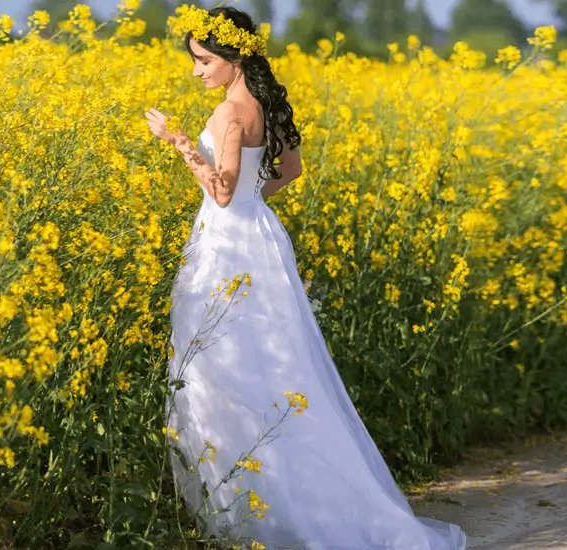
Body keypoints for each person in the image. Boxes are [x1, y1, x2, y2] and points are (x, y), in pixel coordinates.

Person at [142, 6, 468, 549]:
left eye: (202, 61)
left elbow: (219, 190)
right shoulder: (266, 102)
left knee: (224, 372)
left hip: (228, 246)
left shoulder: (228, 113)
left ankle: (250, 514)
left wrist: (175, 140)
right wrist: (251, 203)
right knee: (279, 367)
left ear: (233, 57)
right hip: (263, 237)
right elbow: (288, 171)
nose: (196, 72)